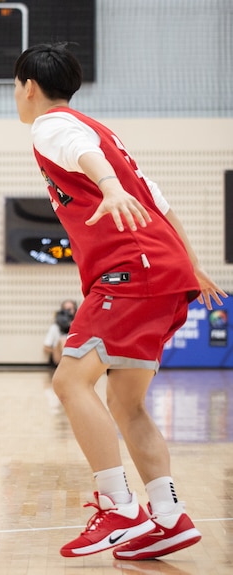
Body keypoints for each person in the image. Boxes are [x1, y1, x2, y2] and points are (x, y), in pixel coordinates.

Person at [13, 43, 227, 560]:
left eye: (15, 88)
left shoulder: (51, 125)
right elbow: (159, 200)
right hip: (163, 268)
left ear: (29, 87)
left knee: (70, 380)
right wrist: (191, 262)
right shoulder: (103, 134)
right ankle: (169, 517)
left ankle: (119, 507)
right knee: (125, 403)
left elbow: (87, 159)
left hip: (132, 271)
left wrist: (107, 186)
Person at [43, 299, 78, 366]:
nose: (68, 312)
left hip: (74, 354)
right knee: (63, 340)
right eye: (66, 309)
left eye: (70, 309)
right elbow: (46, 348)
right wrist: (57, 350)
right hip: (59, 357)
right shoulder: (55, 327)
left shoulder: (78, 326)